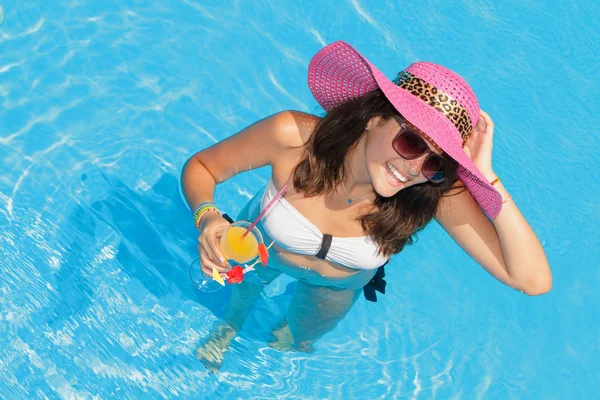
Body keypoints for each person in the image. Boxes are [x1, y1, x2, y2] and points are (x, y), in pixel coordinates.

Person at [181, 41, 552, 370]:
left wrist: (487, 178)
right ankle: (228, 327)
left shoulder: (434, 192)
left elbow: (532, 281)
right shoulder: (293, 140)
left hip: (335, 290)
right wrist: (208, 217)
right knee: (235, 309)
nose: (414, 168)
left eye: (435, 162)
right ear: (375, 117)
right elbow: (202, 167)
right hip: (259, 254)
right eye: (410, 142)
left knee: (297, 343)